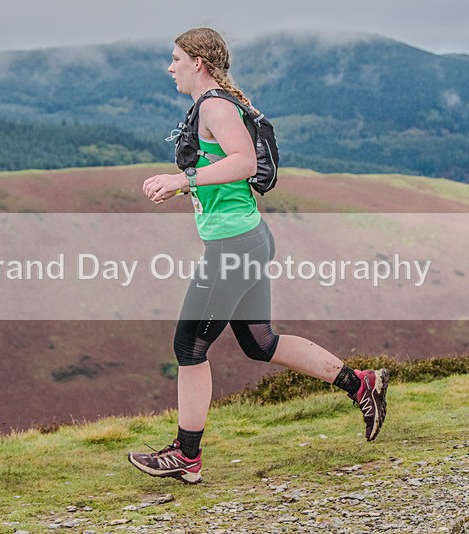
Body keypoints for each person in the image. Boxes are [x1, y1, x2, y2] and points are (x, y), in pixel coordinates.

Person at [129, 27, 388, 484]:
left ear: (198, 63)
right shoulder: (211, 105)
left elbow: (245, 162)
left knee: (189, 346)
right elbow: (228, 168)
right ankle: (361, 384)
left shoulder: (214, 105)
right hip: (247, 240)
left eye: (175, 59)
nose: (169, 67)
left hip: (235, 246)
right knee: (261, 344)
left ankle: (186, 456)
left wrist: (181, 181)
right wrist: (186, 183)